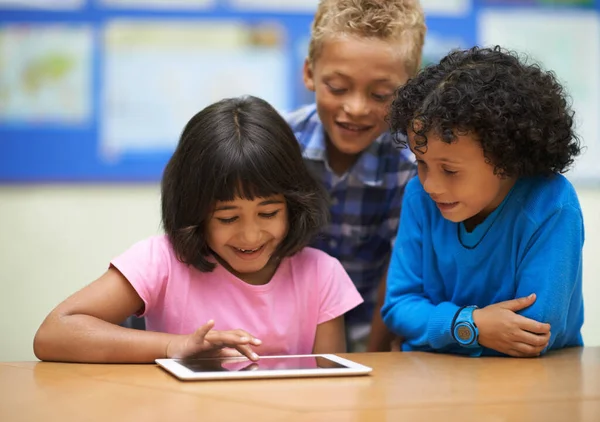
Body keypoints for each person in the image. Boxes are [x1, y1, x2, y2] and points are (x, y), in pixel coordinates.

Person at [33, 96, 363, 363]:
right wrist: (174, 346)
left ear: (294, 204)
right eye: (228, 218)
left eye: (268, 212)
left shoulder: (322, 274)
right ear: (196, 211)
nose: (250, 235)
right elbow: (54, 334)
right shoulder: (160, 260)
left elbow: (333, 388)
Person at [382, 46, 585, 357]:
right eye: (420, 163)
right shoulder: (417, 196)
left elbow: (534, 331)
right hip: (433, 378)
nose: (430, 185)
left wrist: (433, 329)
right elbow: (398, 308)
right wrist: (471, 325)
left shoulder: (551, 204)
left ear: (506, 158)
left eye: (450, 170)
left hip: (527, 385)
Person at [285, 0, 426, 352]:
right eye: (337, 87)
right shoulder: (279, 144)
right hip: (280, 336)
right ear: (309, 73)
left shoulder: (414, 167)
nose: (357, 108)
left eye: (381, 94)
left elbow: (396, 280)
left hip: (372, 336)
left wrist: (373, 360)